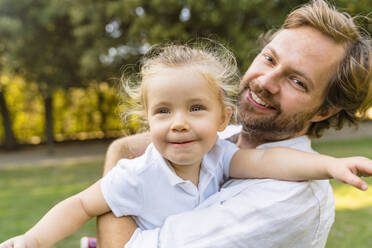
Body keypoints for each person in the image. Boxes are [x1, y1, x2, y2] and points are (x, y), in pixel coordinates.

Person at [1, 42, 372, 248]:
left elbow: (270, 162)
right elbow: (81, 203)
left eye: (195, 108)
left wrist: (328, 166)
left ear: (223, 119)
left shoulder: (220, 155)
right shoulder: (138, 173)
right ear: (148, 120)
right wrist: (33, 240)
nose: (179, 122)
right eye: (164, 111)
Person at [96, 0, 372, 248]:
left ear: (324, 110)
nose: (264, 82)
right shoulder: (220, 135)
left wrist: (116, 173)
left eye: (297, 81)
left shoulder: (290, 198)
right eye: (269, 58)